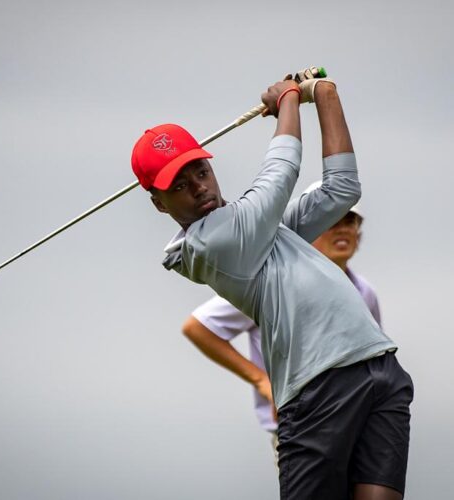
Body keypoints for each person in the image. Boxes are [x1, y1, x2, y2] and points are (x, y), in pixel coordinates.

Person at [130, 70, 413, 500]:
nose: (198, 190)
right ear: (159, 203)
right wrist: (288, 100)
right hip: (317, 390)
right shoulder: (213, 242)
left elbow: (342, 188)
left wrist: (324, 95)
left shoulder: (262, 229)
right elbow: (281, 172)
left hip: (379, 368)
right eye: (179, 187)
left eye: (200, 173)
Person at [181, 194, 382, 463]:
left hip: (354, 424)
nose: (343, 228)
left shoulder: (364, 293)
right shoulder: (276, 281)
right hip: (299, 424)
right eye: (332, 221)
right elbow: (198, 327)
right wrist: (262, 381)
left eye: (350, 221)